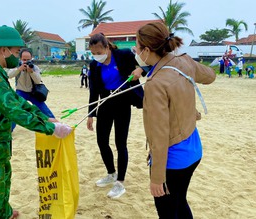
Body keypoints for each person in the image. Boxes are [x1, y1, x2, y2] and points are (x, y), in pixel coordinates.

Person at [0, 25, 72, 219]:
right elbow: (13, 110)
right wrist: (50, 128)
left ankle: (4, 213)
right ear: (4, 50)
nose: (16, 56)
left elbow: (16, 100)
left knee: (3, 182)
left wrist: (44, 117)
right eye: (15, 52)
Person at [135, 22, 216, 218]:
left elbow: (160, 135)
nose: (135, 51)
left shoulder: (156, 84)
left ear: (146, 50)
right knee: (180, 201)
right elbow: (211, 75)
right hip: (193, 149)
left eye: (136, 47)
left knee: (168, 211)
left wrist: (157, 178)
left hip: (174, 159)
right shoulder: (183, 61)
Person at [87, 33, 145, 199]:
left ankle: (120, 182)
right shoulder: (94, 65)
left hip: (123, 101)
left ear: (107, 47)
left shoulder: (124, 54)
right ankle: (111, 173)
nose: (96, 56)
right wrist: (91, 114)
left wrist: (140, 69)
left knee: (121, 143)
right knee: (102, 141)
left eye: (99, 52)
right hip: (105, 102)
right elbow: (93, 90)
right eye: (93, 53)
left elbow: (146, 63)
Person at [7, 49, 56, 131]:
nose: (26, 62)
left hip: (33, 92)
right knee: (15, 110)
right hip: (21, 92)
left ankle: (55, 125)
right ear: (20, 59)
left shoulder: (35, 68)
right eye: (24, 60)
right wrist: (19, 69)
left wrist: (31, 72)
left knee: (44, 109)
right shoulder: (17, 66)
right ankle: (9, 129)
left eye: (28, 60)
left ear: (32, 58)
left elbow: (38, 81)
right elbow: (9, 75)